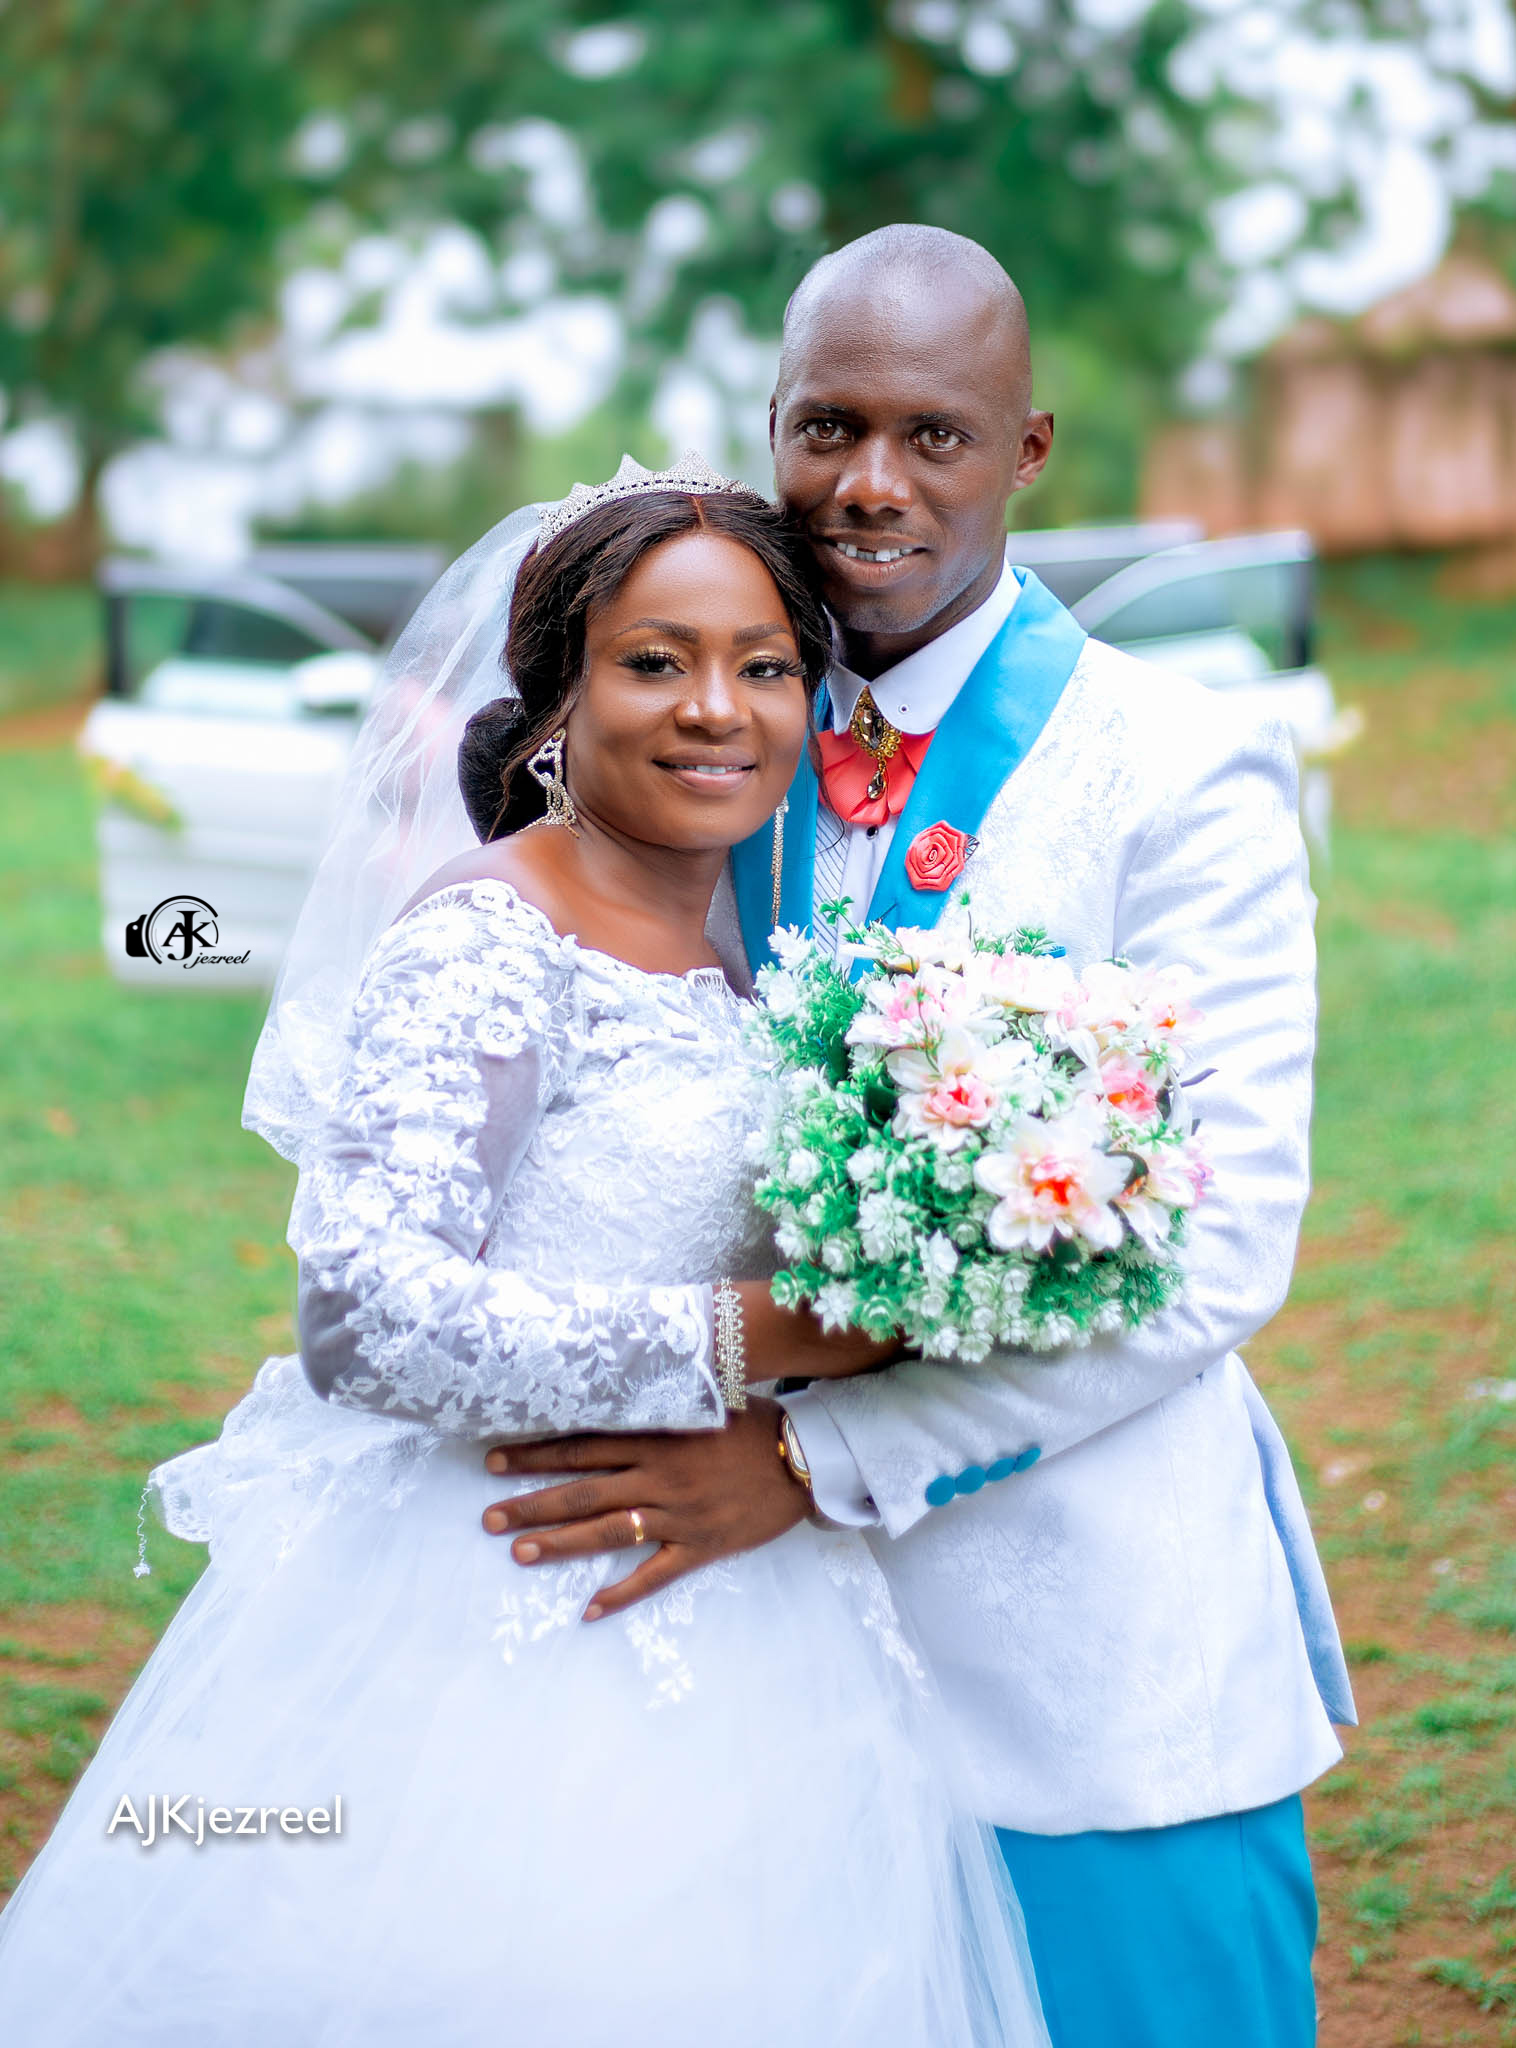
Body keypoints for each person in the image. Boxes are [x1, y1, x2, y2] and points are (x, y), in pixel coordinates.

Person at [0, 470, 1051, 2048]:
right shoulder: (488, 934)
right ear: (557, 700)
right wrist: (751, 1336)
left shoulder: (728, 951)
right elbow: (363, 1314)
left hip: (739, 1608)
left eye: (765, 667)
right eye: (654, 661)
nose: (716, 710)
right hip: (502, 1616)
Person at [478, 229, 1357, 2048]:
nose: (869, 486)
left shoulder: (1177, 771)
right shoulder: (693, 734)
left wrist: (807, 1464)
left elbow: (1210, 1255)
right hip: (743, 1675)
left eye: (932, 437)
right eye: (828, 425)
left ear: (1027, 447)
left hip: (1090, 1664)